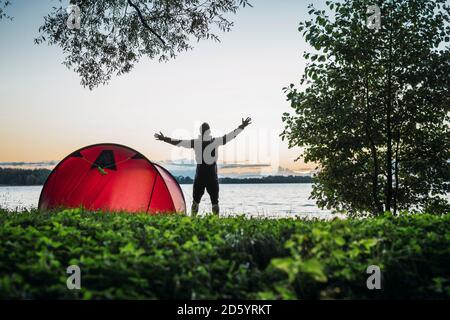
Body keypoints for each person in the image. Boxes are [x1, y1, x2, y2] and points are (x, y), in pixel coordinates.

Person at [154, 117, 252, 216]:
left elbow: (179, 142)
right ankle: (214, 220)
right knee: (214, 202)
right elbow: (231, 136)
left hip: (200, 176)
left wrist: (164, 139)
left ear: (201, 132)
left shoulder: (197, 143)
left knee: (196, 201)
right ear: (209, 132)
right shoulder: (214, 141)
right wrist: (242, 126)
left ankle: (193, 219)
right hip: (211, 177)